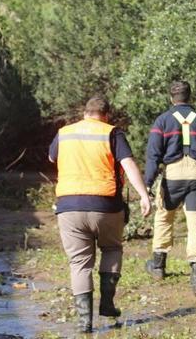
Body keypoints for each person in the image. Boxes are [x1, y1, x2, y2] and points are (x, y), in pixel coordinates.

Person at [48, 96, 151, 333]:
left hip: (69, 206)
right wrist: (144, 195)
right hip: (106, 205)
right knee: (112, 249)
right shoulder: (112, 132)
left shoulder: (64, 133)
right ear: (106, 115)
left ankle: (85, 321)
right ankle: (107, 303)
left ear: (85, 113)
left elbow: (52, 158)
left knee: (79, 263)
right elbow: (128, 164)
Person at [144, 80, 196, 296]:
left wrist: (148, 184)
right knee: (195, 221)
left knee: (164, 217)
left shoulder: (162, 121)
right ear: (190, 97)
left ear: (171, 98)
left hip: (173, 176)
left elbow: (153, 156)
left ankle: (158, 266)